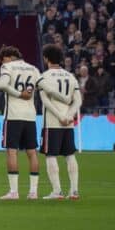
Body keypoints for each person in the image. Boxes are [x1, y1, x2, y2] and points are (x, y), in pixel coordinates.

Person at [0, 46, 65, 199]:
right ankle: (33, 192)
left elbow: (2, 84)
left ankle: (14, 192)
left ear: (10, 56)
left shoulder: (8, 67)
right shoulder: (33, 69)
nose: (2, 64)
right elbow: (46, 87)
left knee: (11, 151)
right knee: (32, 153)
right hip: (30, 115)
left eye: (3, 60)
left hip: (13, 115)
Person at [37, 44, 82, 200]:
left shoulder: (44, 77)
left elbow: (46, 102)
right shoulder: (70, 76)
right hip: (68, 122)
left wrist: (59, 116)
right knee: (70, 155)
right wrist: (68, 116)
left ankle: (57, 191)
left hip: (52, 122)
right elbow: (78, 101)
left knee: (51, 155)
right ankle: (74, 191)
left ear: (46, 58)